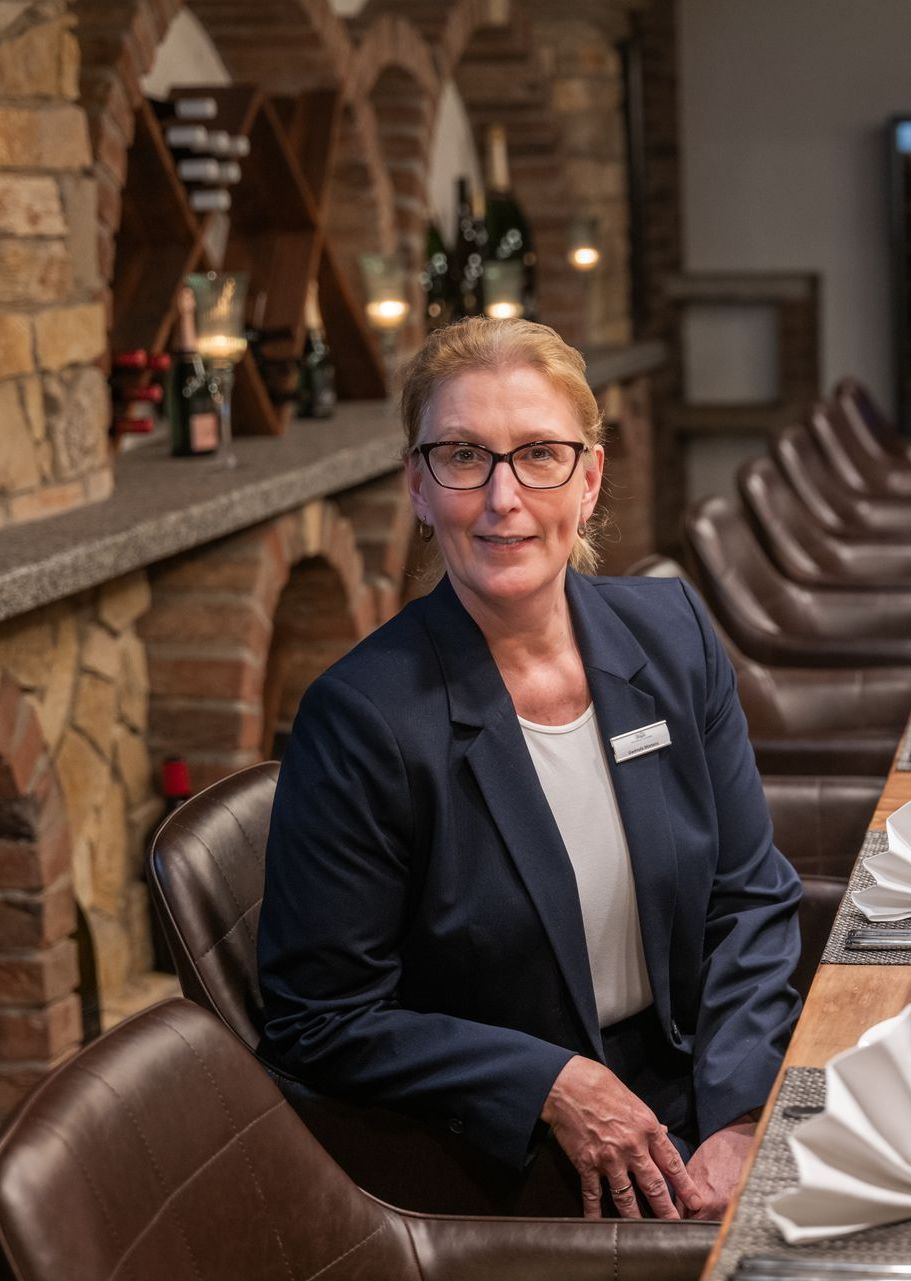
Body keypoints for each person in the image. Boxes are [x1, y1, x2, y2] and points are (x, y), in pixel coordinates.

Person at [257, 316, 801, 1221]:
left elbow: (749, 893)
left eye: (539, 454)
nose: (502, 495)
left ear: (587, 479)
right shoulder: (363, 718)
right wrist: (549, 1082)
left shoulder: (670, 634)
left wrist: (741, 1109)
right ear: (418, 489)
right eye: (464, 456)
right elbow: (319, 1019)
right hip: (509, 1152)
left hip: (706, 1088)